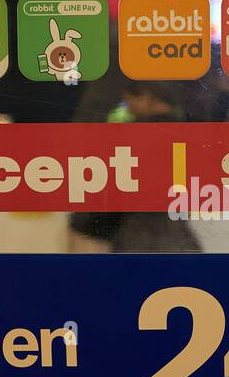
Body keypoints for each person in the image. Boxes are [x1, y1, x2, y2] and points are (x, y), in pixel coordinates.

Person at [67, 82, 201, 253]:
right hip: (178, 237)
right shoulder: (190, 134)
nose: (129, 108)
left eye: (130, 101)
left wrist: (86, 222)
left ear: (146, 97)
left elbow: (119, 188)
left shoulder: (135, 135)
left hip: (138, 238)